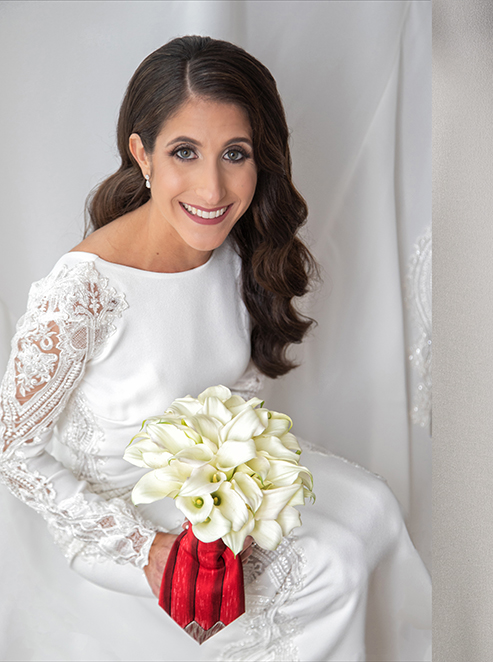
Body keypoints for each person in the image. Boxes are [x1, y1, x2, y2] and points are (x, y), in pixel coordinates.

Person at [0, 36, 430, 660]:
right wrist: (144, 548)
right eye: (184, 152)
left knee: (375, 508)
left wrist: (249, 498)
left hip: (223, 488)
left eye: (234, 153)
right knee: (329, 566)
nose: (212, 188)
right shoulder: (83, 292)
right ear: (141, 155)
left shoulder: (230, 253)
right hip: (127, 513)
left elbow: (235, 391)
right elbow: (13, 451)